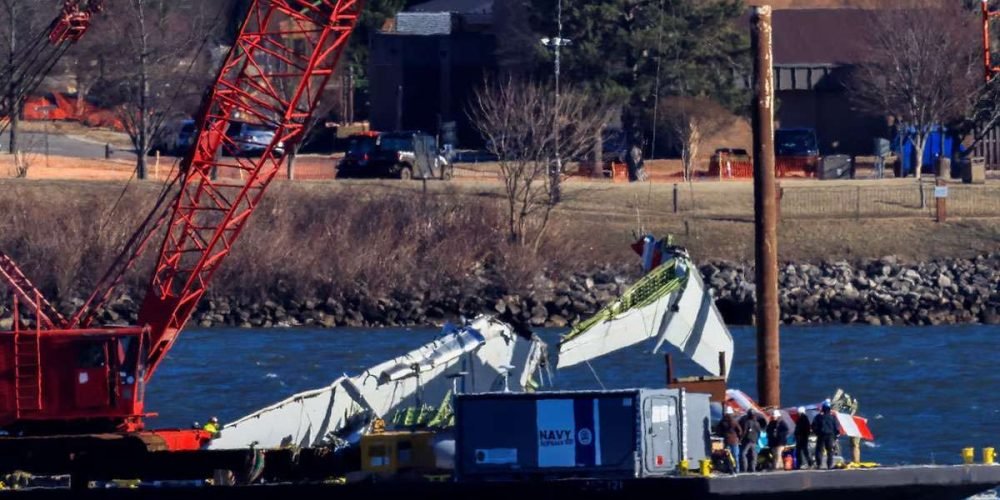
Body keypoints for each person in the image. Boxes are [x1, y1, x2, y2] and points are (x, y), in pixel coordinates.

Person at [812, 400, 841, 469]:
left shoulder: (818, 417)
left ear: (823, 408)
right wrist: (836, 435)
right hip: (830, 436)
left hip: (821, 435)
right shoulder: (833, 417)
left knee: (819, 450)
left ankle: (819, 464)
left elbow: (814, 426)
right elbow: (836, 427)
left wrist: (817, 433)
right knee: (830, 451)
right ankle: (829, 465)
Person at [718, 407, 743, 472]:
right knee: (735, 456)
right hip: (734, 440)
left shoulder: (722, 421)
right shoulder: (734, 422)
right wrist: (739, 438)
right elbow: (740, 431)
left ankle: (729, 469)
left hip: (726, 440)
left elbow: (718, 430)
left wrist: (722, 435)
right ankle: (737, 469)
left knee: (727, 456)